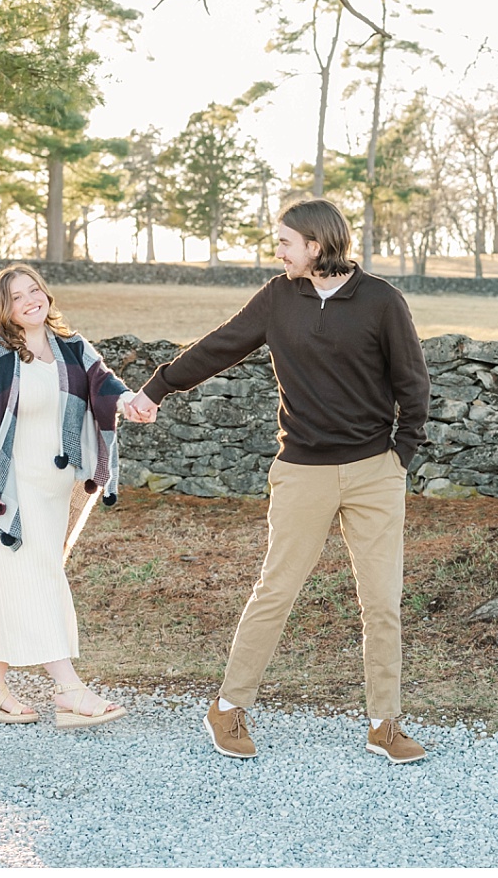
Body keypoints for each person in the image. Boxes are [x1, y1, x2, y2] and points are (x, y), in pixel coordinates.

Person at [124, 198, 432, 763]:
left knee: (382, 601)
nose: (277, 250)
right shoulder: (276, 298)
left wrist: (398, 457)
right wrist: (156, 388)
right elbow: (220, 346)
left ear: (315, 246)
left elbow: (412, 382)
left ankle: (384, 723)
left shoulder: (382, 301)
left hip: (374, 474)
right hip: (301, 472)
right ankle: (227, 707)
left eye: (285, 241)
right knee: (277, 591)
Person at [0, 263, 136, 727]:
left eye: (35, 289)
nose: (31, 299)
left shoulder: (72, 349)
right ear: (4, 308)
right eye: (18, 296)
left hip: (51, 492)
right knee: (38, 578)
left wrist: (132, 401)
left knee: (8, 582)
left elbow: (105, 387)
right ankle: (69, 690)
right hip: (1, 493)